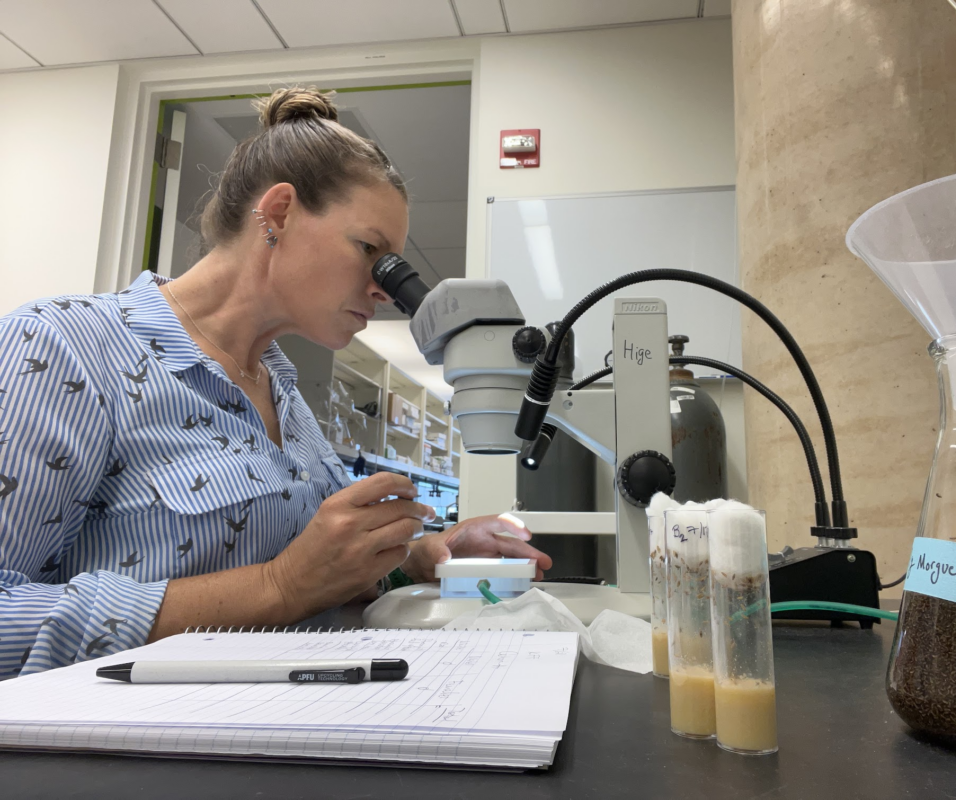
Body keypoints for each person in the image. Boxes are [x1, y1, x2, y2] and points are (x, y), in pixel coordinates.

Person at [0, 87, 550, 678]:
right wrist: (276, 587)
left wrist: (417, 556)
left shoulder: (283, 394)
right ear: (280, 213)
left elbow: (327, 574)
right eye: (371, 251)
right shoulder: (63, 348)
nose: (385, 288)